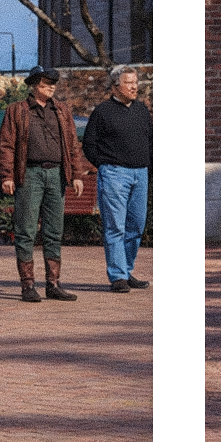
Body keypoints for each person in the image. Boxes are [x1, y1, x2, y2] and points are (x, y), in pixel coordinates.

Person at [0, 66, 87, 301]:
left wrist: (76, 174)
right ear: (35, 84)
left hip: (57, 175)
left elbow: (73, 145)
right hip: (30, 175)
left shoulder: (62, 111)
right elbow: (6, 145)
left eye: (53, 83)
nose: (52, 87)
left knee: (54, 231)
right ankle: (27, 286)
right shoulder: (17, 111)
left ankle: (53, 284)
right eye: (47, 83)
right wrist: (7, 176)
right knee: (25, 231)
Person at [82, 66, 152, 293]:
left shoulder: (142, 110)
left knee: (137, 225)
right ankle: (117, 276)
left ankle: (126, 269)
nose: (134, 87)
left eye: (135, 82)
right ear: (115, 86)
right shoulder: (102, 112)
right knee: (115, 227)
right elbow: (89, 145)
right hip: (114, 174)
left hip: (140, 173)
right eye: (129, 82)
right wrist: (104, 165)